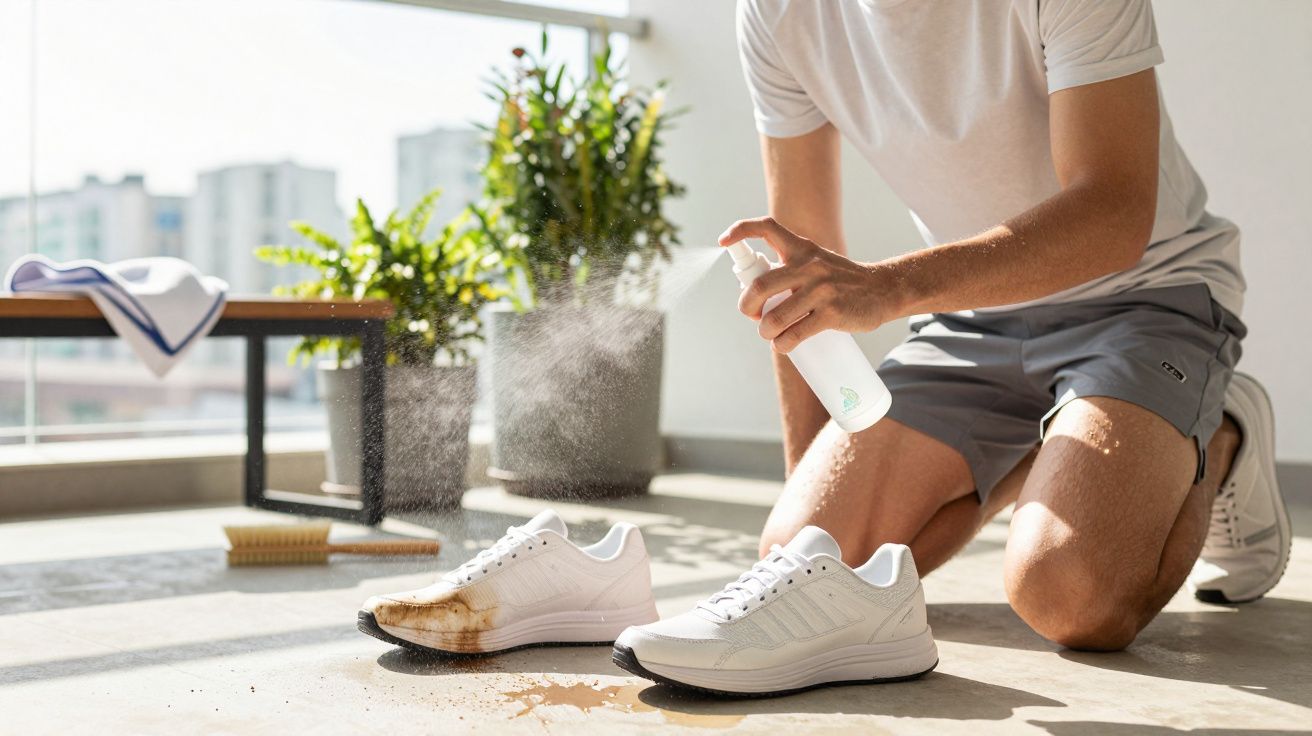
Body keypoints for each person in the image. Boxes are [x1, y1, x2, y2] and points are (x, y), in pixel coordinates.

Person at [720, 0, 1290, 651]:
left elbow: (1114, 211)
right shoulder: (777, 11)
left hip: (1143, 298)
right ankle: (1054, 442)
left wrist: (890, 288)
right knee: (809, 564)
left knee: (1070, 592)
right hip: (971, 316)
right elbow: (802, 264)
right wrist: (815, 501)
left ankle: (1218, 432)